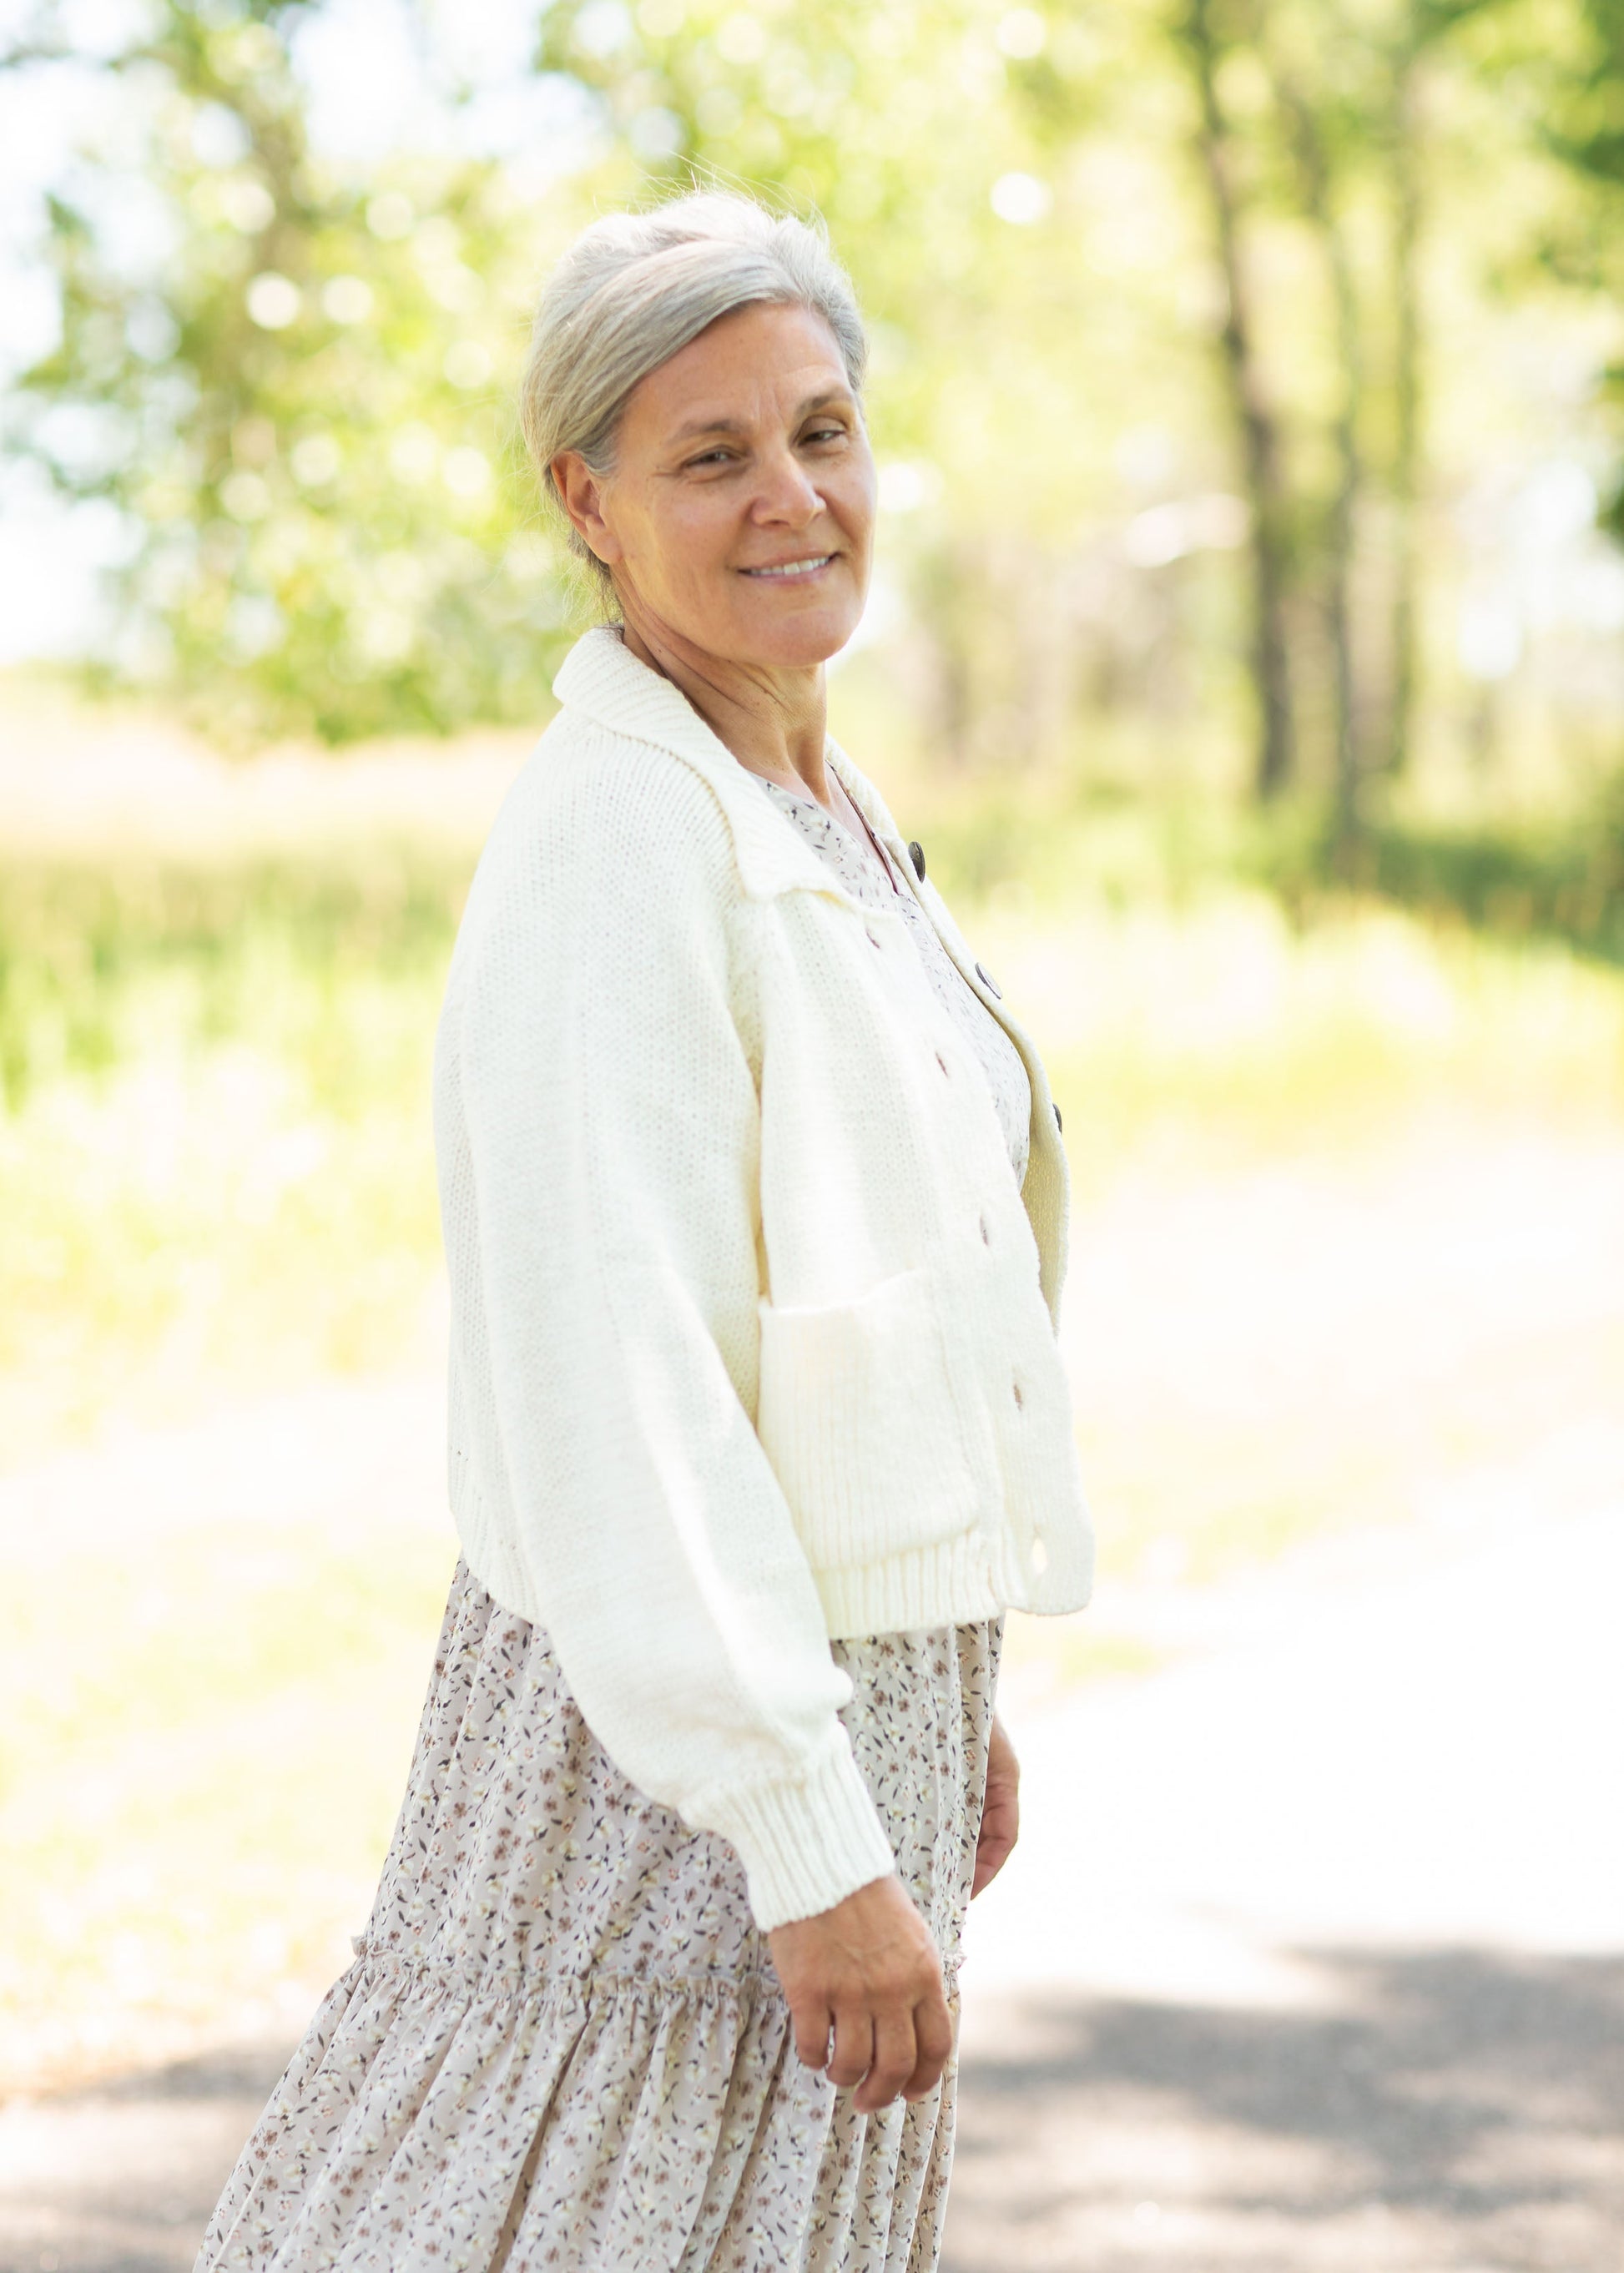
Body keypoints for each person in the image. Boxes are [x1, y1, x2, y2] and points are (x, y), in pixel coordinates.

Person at [197, 188, 1092, 2273]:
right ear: (586, 502)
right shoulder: (618, 838)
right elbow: (624, 1382)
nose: (794, 495)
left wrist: (936, 1678)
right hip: (656, 1771)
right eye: (713, 456)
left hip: (813, 1700)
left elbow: (871, 1291)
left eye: (822, 429)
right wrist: (801, 1821)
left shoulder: (813, 803)